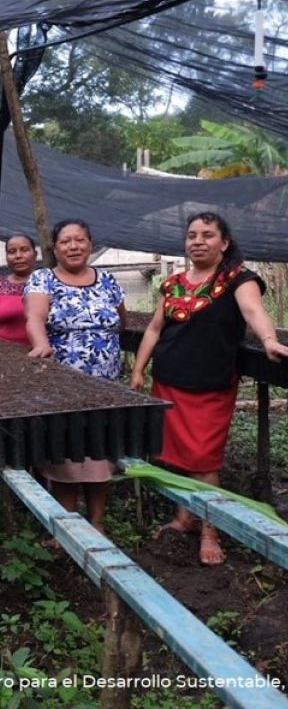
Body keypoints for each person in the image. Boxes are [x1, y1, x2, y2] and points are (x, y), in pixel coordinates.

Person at [130, 212, 288, 565]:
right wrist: (138, 370)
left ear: (224, 243)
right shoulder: (173, 283)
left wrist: (268, 340)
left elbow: (253, 310)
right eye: (191, 235)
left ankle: (210, 530)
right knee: (182, 457)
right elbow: (155, 329)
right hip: (169, 380)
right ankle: (185, 516)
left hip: (210, 386)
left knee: (204, 460)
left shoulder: (238, 278)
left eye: (207, 235)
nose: (198, 241)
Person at [25, 219, 126, 534]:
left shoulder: (108, 280)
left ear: (90, 244)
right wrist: (41, 344)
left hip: (106, 387)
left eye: (80, 240)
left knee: (100, 456)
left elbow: (121, 319)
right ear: (55, 248)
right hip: (62, 386)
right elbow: (34, 317)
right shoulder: (43, 279)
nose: (73, 246)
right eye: (66, 241)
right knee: (65, 456)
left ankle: (97, 523)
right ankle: (68, 527)